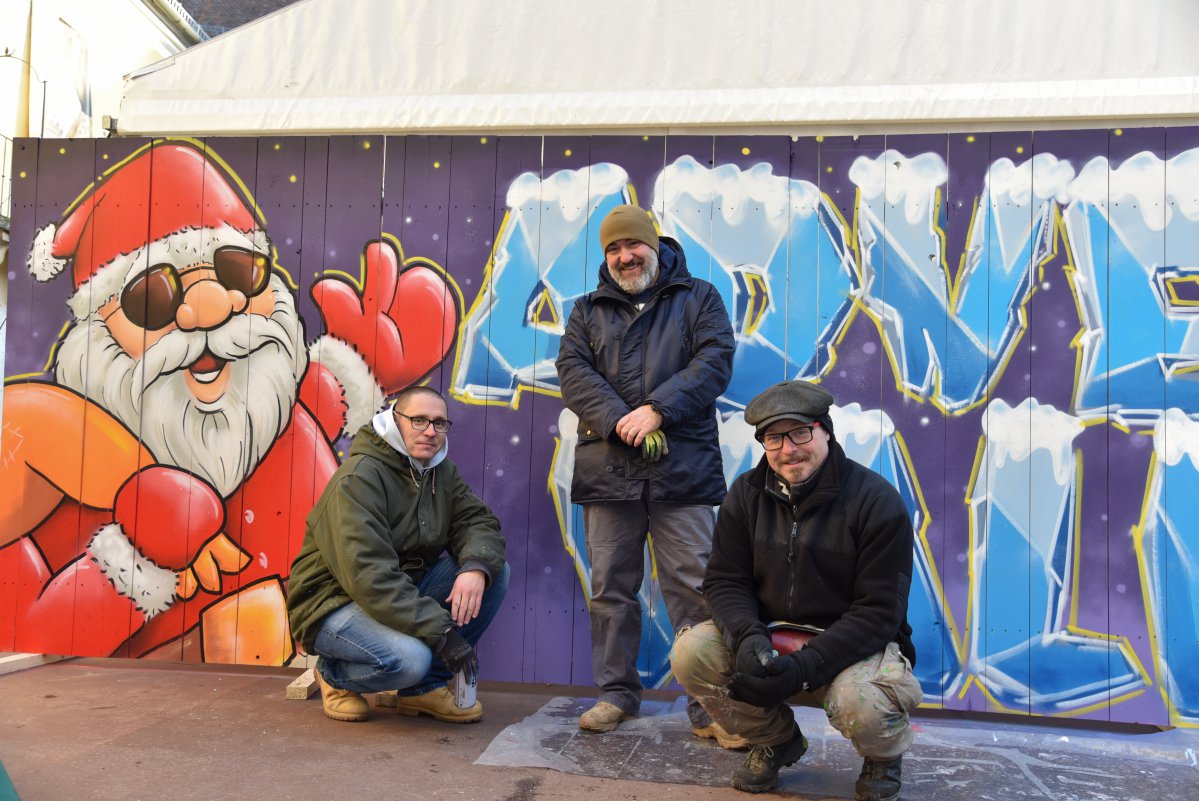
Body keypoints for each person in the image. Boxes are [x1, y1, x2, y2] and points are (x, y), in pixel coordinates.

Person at [670, 380, 923, 798]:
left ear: (826, 431)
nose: (788, 449)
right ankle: (775, 740)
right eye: (773, 438)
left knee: (863, 702)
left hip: (851, 647)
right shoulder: (746, 494)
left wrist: (805, 667)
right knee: (691, 652)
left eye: (800, 433)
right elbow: (725, 580)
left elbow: (879, 612)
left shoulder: (876, 501)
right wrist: (747, 636)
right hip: (771, 637)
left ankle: (882, 756)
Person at [555, 204, 736, 741]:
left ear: (653, 246)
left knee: (695, 588)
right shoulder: (586, 310)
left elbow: (715, 361)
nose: (624, 256)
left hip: (683, 470)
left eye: (632, 245)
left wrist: (658, 409)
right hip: (608, 470)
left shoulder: (699, 297)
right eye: (613, 248)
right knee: (610, 588)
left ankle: (711, 705)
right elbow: (572, 373)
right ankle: (616, 695)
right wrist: (619, 420)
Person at [286, 386, 509, 723]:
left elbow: (476, 521)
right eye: (418, 420)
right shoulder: (359, 478)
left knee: (494, 572)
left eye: (439, 423)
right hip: (333, 604)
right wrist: (441, 633)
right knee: (410, 660)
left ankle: (423, 689)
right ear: (394, 420)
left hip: (395, 592)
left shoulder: (440, 472)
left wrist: (475, 568)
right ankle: (334, 674)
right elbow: (369, 575)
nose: (430, 431)